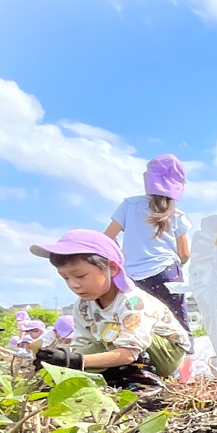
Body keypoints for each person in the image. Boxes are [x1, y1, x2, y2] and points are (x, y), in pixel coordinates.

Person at [29, 230, 190, 391]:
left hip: (164, 354)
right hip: (114, 346)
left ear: (112, 267)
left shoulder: (132, 302)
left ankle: (145, 385)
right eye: (66, 278)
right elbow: (83, 346)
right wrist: (60, 361)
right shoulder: (83, 306)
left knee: (110, 334)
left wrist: (76, 361)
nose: (74, 285)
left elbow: (128, 354)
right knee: (70, 363)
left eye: (81, 275)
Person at [104, 155, 193, 339]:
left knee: (139, 324)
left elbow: (107, 238)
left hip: (132, 277)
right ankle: (183, 362)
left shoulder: (129, 205)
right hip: (167, 272)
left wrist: (121, 258)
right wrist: (179, 264)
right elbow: (184, 253)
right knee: (177, 325)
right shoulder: (177, 214)